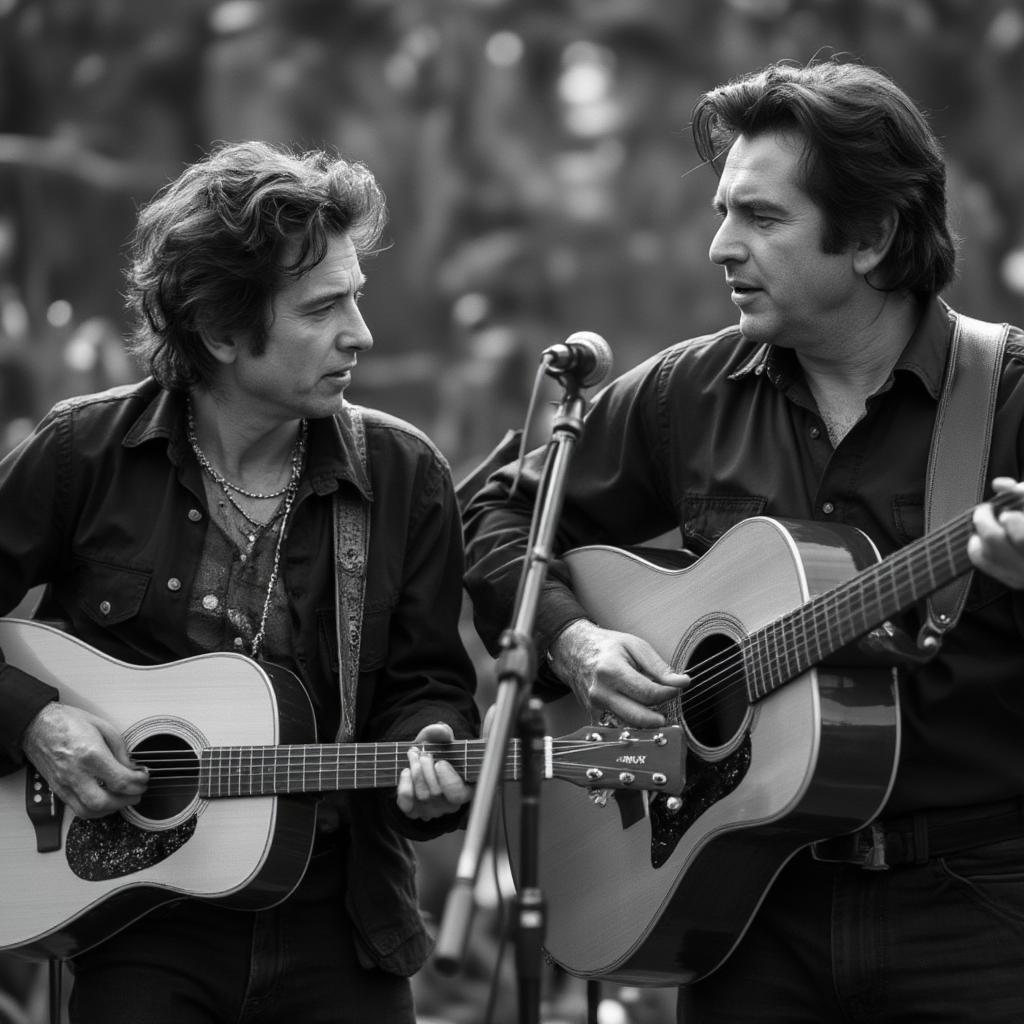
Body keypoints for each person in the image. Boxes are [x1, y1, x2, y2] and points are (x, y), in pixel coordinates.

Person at [462, 57, 1024, 1023]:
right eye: (723, 210)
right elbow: (498, 518)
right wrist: (579, 642)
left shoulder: (1008, 395)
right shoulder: (691, 392)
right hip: (745, 905)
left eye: (762, 219)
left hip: (978, 906)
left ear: (874, 235)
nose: (720, 247)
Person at [0, 140, 480, 1024]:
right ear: (220, 330)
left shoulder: (403, 474)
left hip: (341, 918)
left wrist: (432, 751)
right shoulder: (85, 454)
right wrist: (33, 718)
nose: (360, 335)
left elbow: (427, 685)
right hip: (134, 919)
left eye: (357, 299)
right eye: (323, 307)